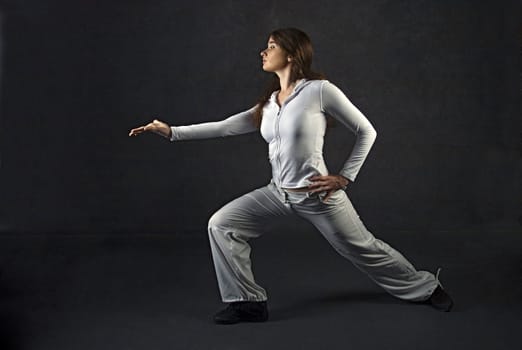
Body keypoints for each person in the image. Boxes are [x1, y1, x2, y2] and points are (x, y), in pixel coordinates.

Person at [129, 28, 453, 324]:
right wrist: (171, 132)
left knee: (364, 248)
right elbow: (226, 126)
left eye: (271, 46)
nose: (263, 52)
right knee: (221, 224)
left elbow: (366, 131)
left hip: (317, 195)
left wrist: (345, 177)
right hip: (277, 194)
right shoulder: (269, 104)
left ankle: (425, 288)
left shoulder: (319, 91)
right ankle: (248, 302)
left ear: (292, 53)